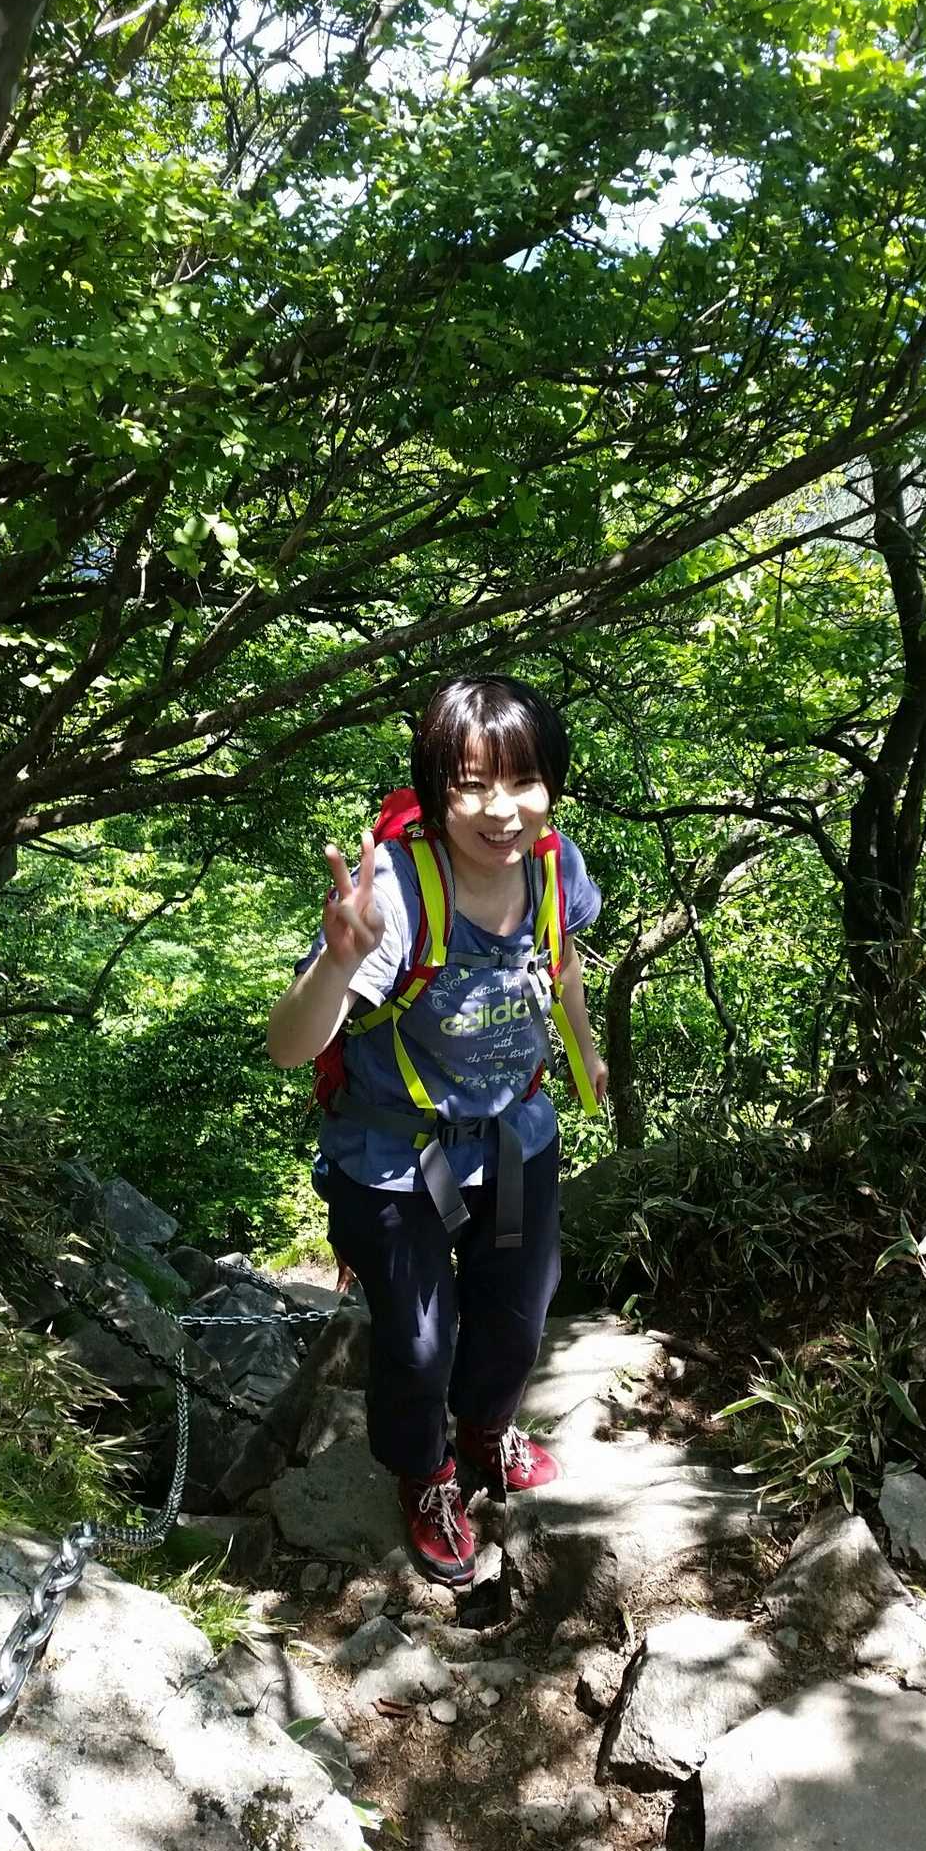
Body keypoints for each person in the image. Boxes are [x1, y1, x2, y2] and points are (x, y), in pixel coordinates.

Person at [267, 676, 607, 1584]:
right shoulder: (397, 895)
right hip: (395, 1160)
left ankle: (486, 1429)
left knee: (518, 1313)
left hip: (512, 1141)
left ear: (552, 783)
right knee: (418, 1345)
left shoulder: (554, 866)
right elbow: (289, 1048)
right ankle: (425, 1473)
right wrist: (336, 965)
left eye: (524, 781)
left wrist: (584, 1050)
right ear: (434, 789)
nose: (502, 810)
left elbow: (562, 960)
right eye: (472, 786)